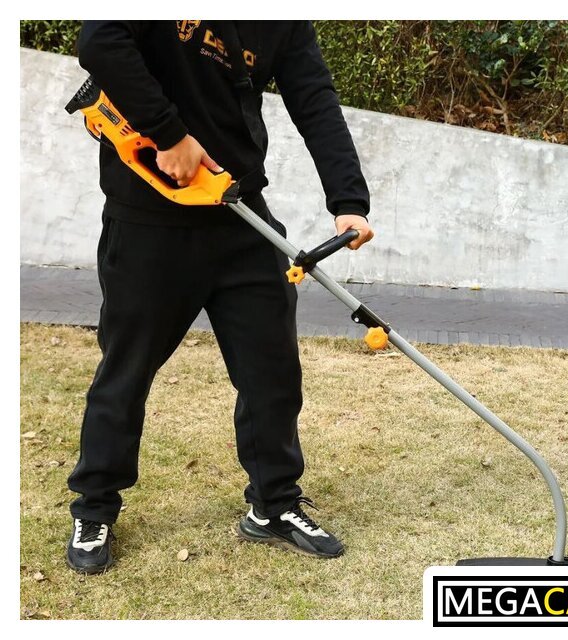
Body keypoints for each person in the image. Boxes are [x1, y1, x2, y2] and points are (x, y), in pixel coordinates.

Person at [66, 20, 373, 574]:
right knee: (125, 371)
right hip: (148, 219)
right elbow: (100, 40)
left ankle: (273, 504)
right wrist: (168, 134)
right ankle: (95, 507)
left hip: (241, 211)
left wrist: (348, 199)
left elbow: (314, 98)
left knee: (272, 372)